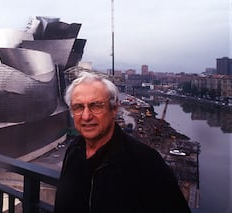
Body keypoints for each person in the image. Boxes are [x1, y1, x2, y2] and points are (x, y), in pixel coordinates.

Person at [54, 71, 190, 213]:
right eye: (79, 107)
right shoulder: (73, 151)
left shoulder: (146, 162)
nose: (86, 116)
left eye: (96, 106)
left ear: (114, 109)